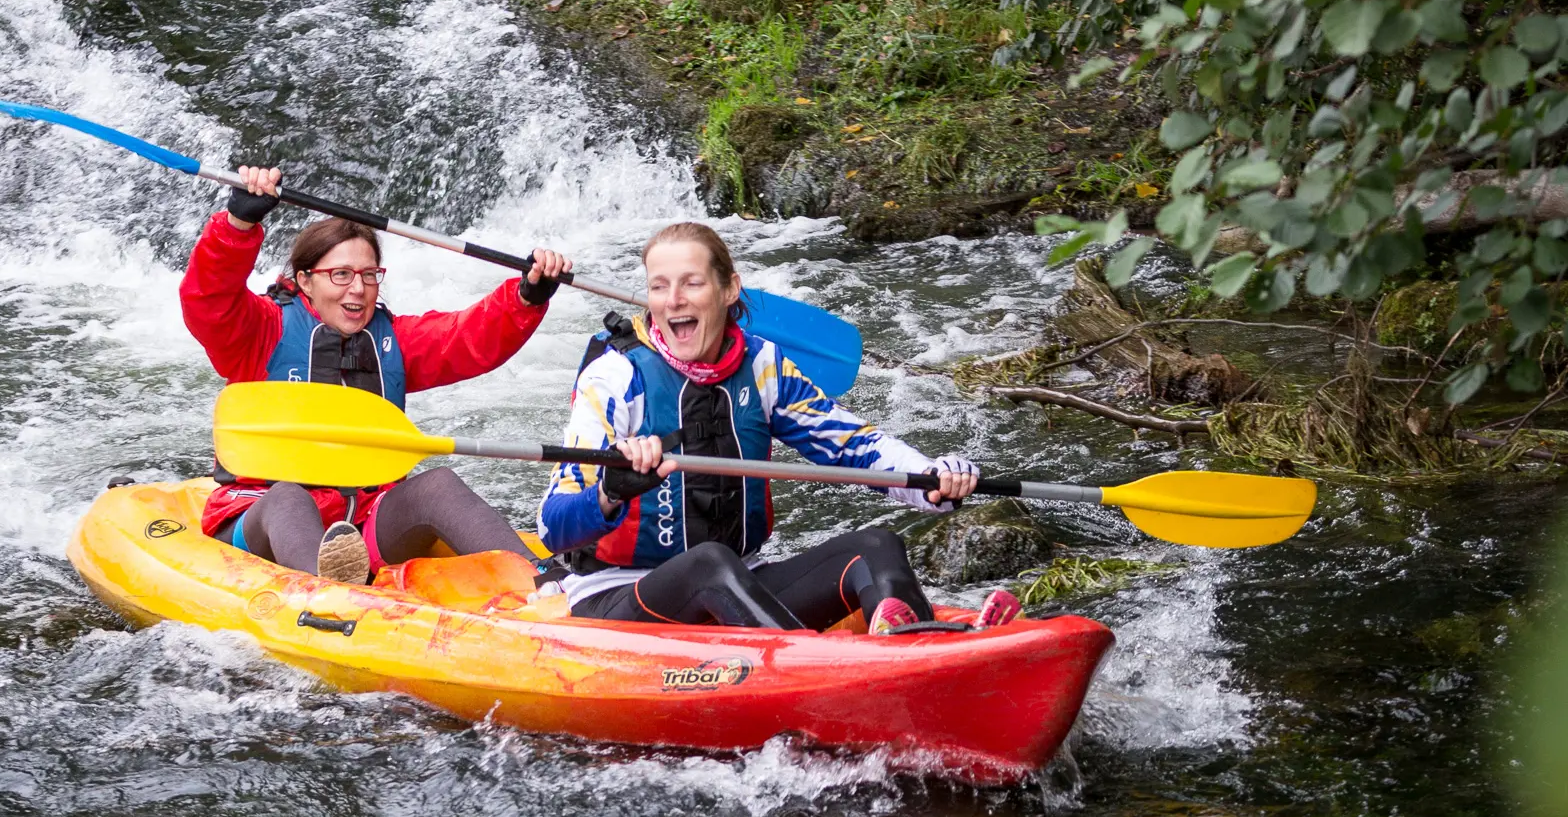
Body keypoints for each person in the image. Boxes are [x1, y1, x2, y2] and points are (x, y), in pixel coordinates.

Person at [536, 221, 1021, 634]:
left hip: (740, 586)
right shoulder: (617, 377)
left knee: (877, 545)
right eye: (659, 286)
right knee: (709, 561)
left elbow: (850, 445)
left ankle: (921, 650)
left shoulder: (762, 365)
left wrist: (930, 478)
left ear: (729, 290)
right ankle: (819, 670)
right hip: (618, 598)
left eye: (691, 283)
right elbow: (553, 525)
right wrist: (611, 491)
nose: (673, 300)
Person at [181, 165, 572, 586]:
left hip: (361, 517)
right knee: (289, 498)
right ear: (305, 281)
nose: (358, 289)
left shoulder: (393, 340)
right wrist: (239, 224)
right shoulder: (261, 331)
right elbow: (209, 300)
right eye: (341, 275)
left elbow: (467, 339)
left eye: (369, 275)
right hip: (264, 519)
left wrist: (526, 295)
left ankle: (543, 583)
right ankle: (331, 594)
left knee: (436, 484)